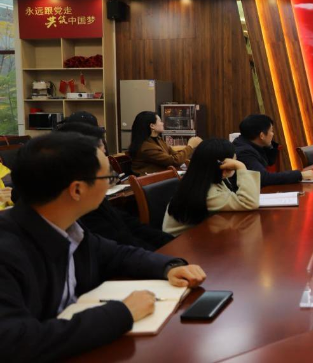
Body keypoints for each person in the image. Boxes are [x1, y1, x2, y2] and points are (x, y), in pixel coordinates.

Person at [0, 132, 207, 362]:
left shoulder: (69, 227)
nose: (111, 183)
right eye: (108, 177)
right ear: (77, 190)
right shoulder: (8, 250)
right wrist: (123, 312)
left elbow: (117, 254)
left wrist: (168, 266)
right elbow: (16, 342)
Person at [57, 122, 174, 251]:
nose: (106, 159)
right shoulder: (79, 213)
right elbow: (119, 250)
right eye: (102, 154)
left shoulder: (92, 199)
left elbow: (130, 225)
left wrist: (171, 243)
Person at [163, 139, 260, 236]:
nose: (234, 165)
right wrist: (241, 167)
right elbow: (248, 202)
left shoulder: (200, 181)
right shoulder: (208, 194)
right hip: (178, 242)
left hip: (197, 237)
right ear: (222, 166)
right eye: (233, 162)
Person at [233, 114, 313, 186]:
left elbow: (270, 161)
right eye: (271, 131)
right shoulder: (244, 152)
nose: (272, 134)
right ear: (262, 135)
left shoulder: (250, 143)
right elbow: (264, 178)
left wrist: (269, 145)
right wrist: (300, 175)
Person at [129, 111, 202, 175]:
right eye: (160, 121)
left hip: (161, 176)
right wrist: (190, 146)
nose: (163, 123)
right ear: (152, 126)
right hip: (150, 180)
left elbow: (175, 155)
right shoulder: (146, 147)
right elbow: (174, 161)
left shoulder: (158, 139)